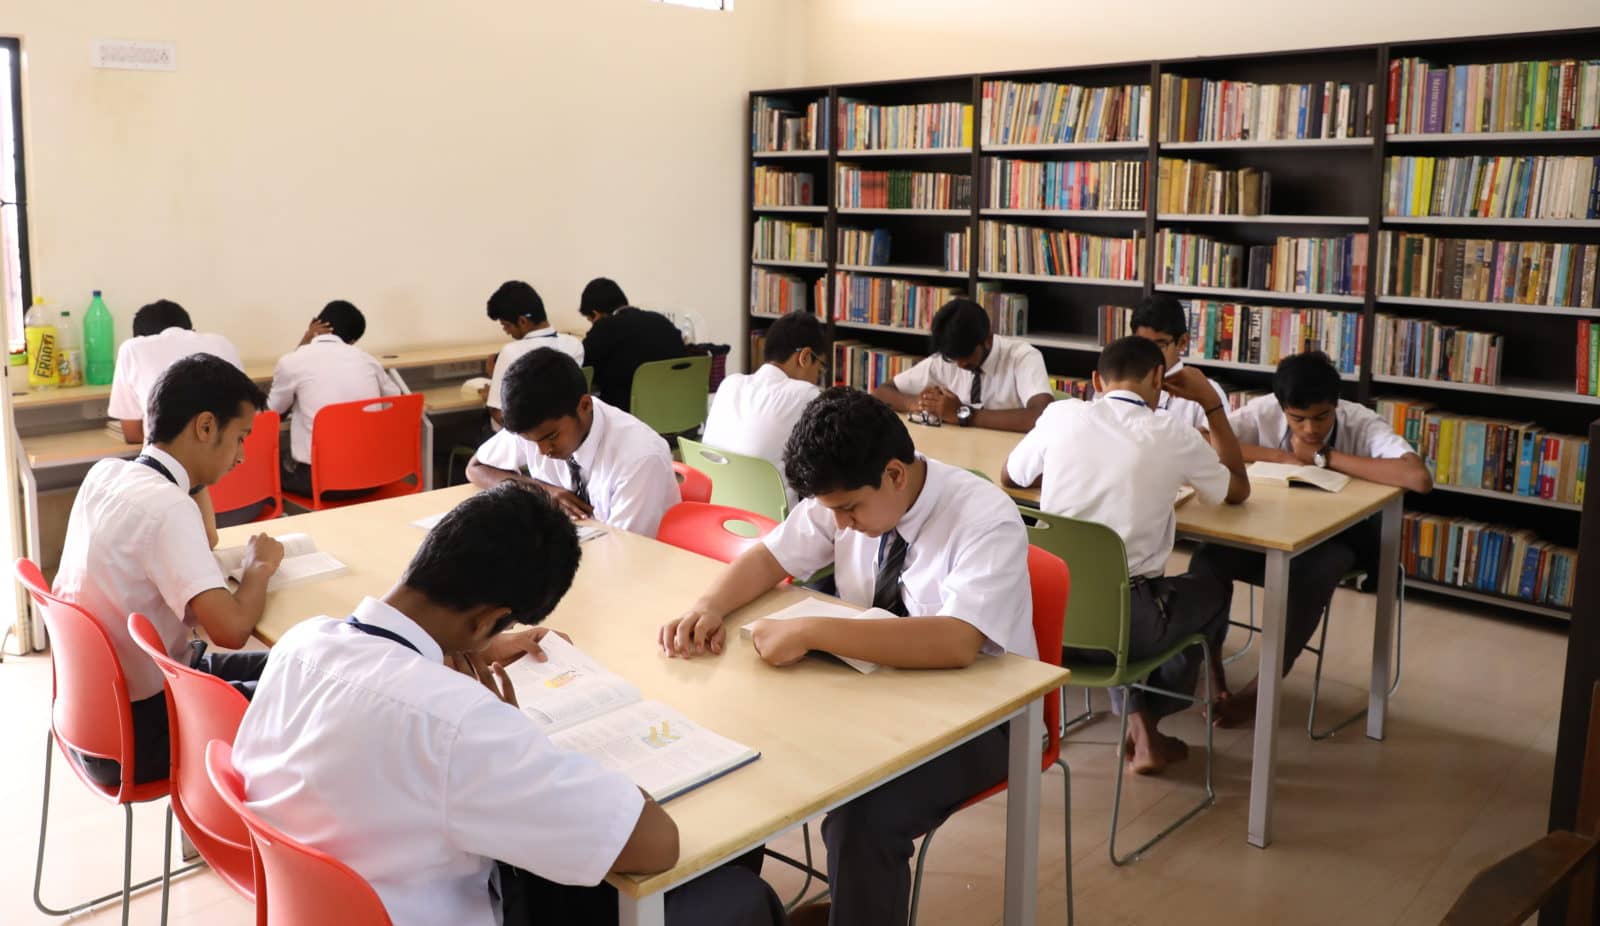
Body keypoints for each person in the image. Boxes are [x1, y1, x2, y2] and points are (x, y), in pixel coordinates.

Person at [230, 484, 787, 926]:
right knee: (737, 894)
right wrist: (519, 733)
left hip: (314, 907)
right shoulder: (458, 722)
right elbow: (656, 845)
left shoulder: (302, 642)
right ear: (487, 621)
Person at [660, 387, 1035, 926]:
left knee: (861, 819)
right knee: (738, 753)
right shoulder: (848, 492)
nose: (839, 524)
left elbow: (956, 642)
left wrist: (814, 630)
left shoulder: (983, 517)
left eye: (849, 509)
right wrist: (708, 606)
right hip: (876, 693)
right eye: (831, 510)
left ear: (895, 475)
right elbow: (770, 556)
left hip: (985, 718)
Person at [1004, 337, 1250, 774]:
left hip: (1046, 622)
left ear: (1096, 381)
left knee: (1111, 591)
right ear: (1158, 377)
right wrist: (1212, 405)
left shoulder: (1061, 414)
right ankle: (1155, 717)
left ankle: (1143, 730)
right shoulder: (1172, 431)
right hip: (1126, 629)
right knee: (1211, 590)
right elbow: (1237, 490)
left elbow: (1010, 476)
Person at [53, 354, 283, 787]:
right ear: (205, 427)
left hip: (90, 718)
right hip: (144, 733)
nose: (241, 456)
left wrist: (196, 475)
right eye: (239, 438)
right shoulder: (168, 507)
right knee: (306, 695)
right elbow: (232, 630)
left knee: (292, 665)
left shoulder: (106, 474)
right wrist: (259, 567)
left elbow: (206, 538)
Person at [1188, 351, 1432, 727]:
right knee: (1207, 560)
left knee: (1316, 573)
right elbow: (1204, 439)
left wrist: (1324, 456)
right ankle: (1213, 672)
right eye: (1297, 419)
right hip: (1265, 532)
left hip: (1334, 542)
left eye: (1321, 417)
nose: (1309, 429)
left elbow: (1418, 478)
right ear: (1282, 407)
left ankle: (1261, 691)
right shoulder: (1264, 410)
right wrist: (1280, 456)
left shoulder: (1360, 421)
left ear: (1336, 405)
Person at [465, 349, 678, 538]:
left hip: (636, 562)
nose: (543, 451)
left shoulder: (639, 457)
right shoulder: (536, 423)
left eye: (552, 437)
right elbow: (476, 467)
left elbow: (625, 550)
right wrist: (543, 491)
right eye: (531, 442)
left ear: (584, 406)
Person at [267, 300, 402, 497]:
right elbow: (397, 402)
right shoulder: (367, 360)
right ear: (352, 341)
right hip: (372, 477)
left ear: (315, 323)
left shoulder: (292, 361)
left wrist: (304, 342)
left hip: (322, 483)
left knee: (267, 462)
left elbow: (271, 413)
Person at [701, 310, 826, 511]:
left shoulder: (729, 384)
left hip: (715, 513)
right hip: (772, 523)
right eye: (819, 367)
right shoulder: (805, 394)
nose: (817, 377)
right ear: (804, 357)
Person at [872, 297, 1052, 433]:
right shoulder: (947, 358)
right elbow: (881, 393)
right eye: (953, 358)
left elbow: (1041, 416)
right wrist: (919, 404)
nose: (960, 364)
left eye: (966, 355)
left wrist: (964, 414)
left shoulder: (1023, 357)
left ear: (987, 340)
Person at [107, 299, 245, 444]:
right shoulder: (222, 343)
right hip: (233, 452)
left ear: (139, 338)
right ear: (191, 331)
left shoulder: (132, 349)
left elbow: (132, 434)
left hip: (170, 455)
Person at [485, 280, 584, 428]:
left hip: (523, 435)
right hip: (565, 430)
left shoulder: (511, 352)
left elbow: (498, 413)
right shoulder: (575, 345)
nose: (506, 331)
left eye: (506, 325)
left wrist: (490, 390)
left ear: (522, 321)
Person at [578, 277, 686, 412]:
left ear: (596, 314)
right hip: (676, 410)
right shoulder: (661, 321)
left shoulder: (604, 327)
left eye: (591, 321)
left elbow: (584, 370)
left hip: (628, 414)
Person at [1128, 293, 1229, 431]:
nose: (1148, 353)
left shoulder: (1207, 391)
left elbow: (1216, 442)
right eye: (1142, 344)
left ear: (1182, 342)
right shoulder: (1123, 384)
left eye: (1159, 345)